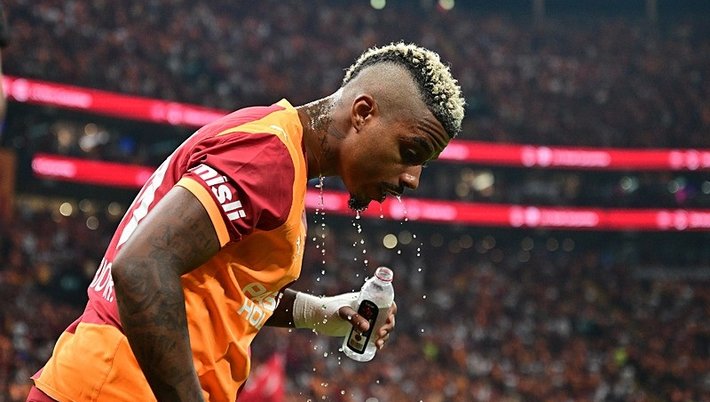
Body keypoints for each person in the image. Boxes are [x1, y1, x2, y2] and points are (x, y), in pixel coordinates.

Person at [27, 42, 465, 402]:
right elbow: (141, 266)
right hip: (117, 387)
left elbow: (225, 290)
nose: (412, 179)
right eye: (410, 152)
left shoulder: (280, 151)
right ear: (363, 112)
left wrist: (320, 311)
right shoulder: (268, 157)